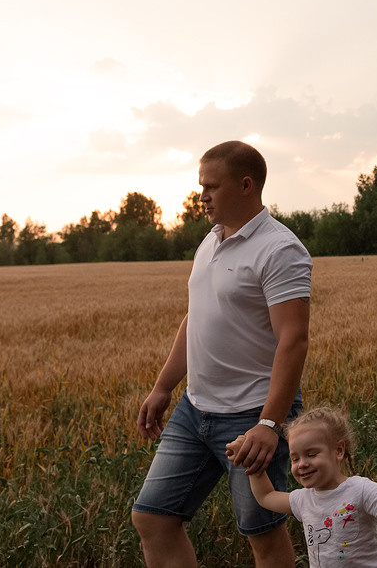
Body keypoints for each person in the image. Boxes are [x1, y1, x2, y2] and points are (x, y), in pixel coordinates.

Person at [131, 140, 313, 568]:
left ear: (246, 185)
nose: (202, 195)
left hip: (251, 415)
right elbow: (195, 318)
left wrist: (269, 425)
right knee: (152, 519)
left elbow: (294, 340)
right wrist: (163, 386)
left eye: (211, 186)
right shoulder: (210, 241)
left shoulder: (280, 249)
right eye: (200, 186)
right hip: (194, 411)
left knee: (263, 535)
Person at [226, 407, 377, 566]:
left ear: (338, 451)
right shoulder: (303, 499)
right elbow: (266, 496)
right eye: (295, 458)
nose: (302, 464)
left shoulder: (360, 489)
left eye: (311, 454)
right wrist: (250, 463)